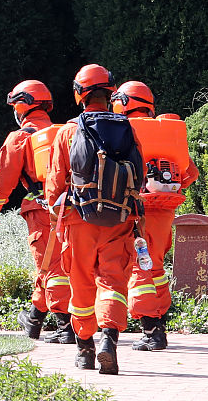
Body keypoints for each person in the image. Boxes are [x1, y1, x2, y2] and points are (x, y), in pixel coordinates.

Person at [45, 64, 138, 374]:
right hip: (119, 219)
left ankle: (85, 349)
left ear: (79, 94)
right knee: (113, 279)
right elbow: (137, 174)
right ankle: (109, 339)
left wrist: (56, 214)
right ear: (111, 93)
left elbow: (54, 183)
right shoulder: (126, 127)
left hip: (79, 219)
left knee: (81, 281)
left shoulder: (67, 131)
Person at [113, 81, 199, 351]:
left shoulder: (123, 131)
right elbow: (190, 173)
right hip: (165, 210)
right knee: (156, 266)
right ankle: (159, 320)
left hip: (138, 211)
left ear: (123, 103)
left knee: (138, 265)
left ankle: (151, 330)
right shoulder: (166, 130)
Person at [0, 80, 73, 342]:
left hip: (41, 208)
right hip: (72, 207)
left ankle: (65, 326)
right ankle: (35, 318)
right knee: (56, 263)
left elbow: (3, 176)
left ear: (22, 106)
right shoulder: (64, 133)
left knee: (53, 267)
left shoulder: (21, 137)